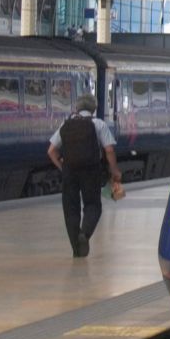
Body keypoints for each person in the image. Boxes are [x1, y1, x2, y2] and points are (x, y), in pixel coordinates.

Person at [47, 93, 122, 258]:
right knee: (93, 205)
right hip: (91, 170)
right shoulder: (98, 124)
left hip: (69, 172)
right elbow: (109, 150)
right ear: (94, 109)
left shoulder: (66, 125)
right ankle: (85, 234)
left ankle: (76, 249)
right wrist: (114, 169)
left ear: (76, 109)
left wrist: (62, 167)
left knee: (70, 209)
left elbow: (51, 151)